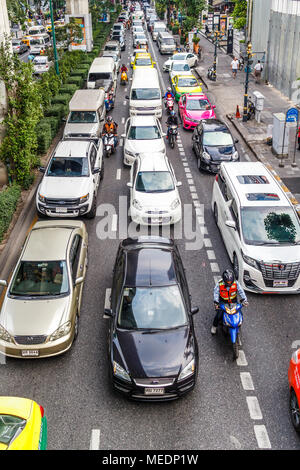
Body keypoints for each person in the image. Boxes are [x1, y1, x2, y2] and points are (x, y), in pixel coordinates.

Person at [211, 269, 248, 335]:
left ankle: (238, 326)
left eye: (230, 281)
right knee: (219, 315)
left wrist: (244, 299)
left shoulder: (236, 283)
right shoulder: (219, 284)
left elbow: (241, 291)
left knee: (240, 314)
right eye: (228, 282)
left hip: (234, 301)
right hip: (223, 301)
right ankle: (214, 326)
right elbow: (216, 293)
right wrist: (216, 302)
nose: (229, 283)